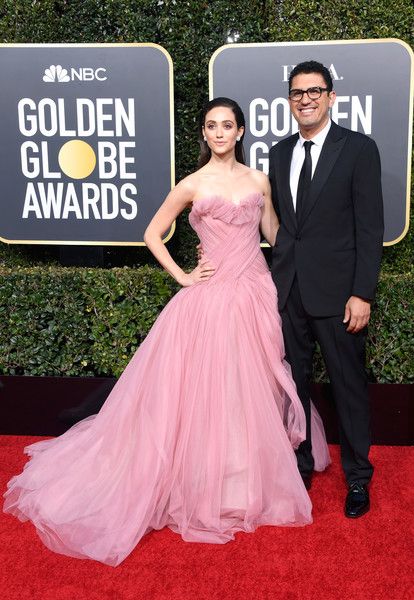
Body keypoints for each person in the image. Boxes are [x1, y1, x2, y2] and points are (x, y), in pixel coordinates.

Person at [4, 97, 330, 567]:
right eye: (211, 126)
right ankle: (206, 479)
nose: (219, 133)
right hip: (211, 295)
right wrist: (182, 275)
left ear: (240, 132)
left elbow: (275, 234)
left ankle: (242, 478)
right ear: (205, 133)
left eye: (227, 125)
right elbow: (152, 232)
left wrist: (307, 266)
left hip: (257, 292)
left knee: (252, 385)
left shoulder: (260, 179)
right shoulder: (191, 184)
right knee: (211, 387)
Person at [268, 61, 384, 517]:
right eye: (297, 93)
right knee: (293, 387)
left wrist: (363, 293)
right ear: (290, 100)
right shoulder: (279, 153)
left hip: (339, 297)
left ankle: (358, 478)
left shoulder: (358, 149)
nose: (306, 99)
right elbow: (281, 227)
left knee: (348, 387)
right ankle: (300, 465)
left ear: (331, 97)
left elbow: (368, 227)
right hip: (289, 292)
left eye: (314, 91)